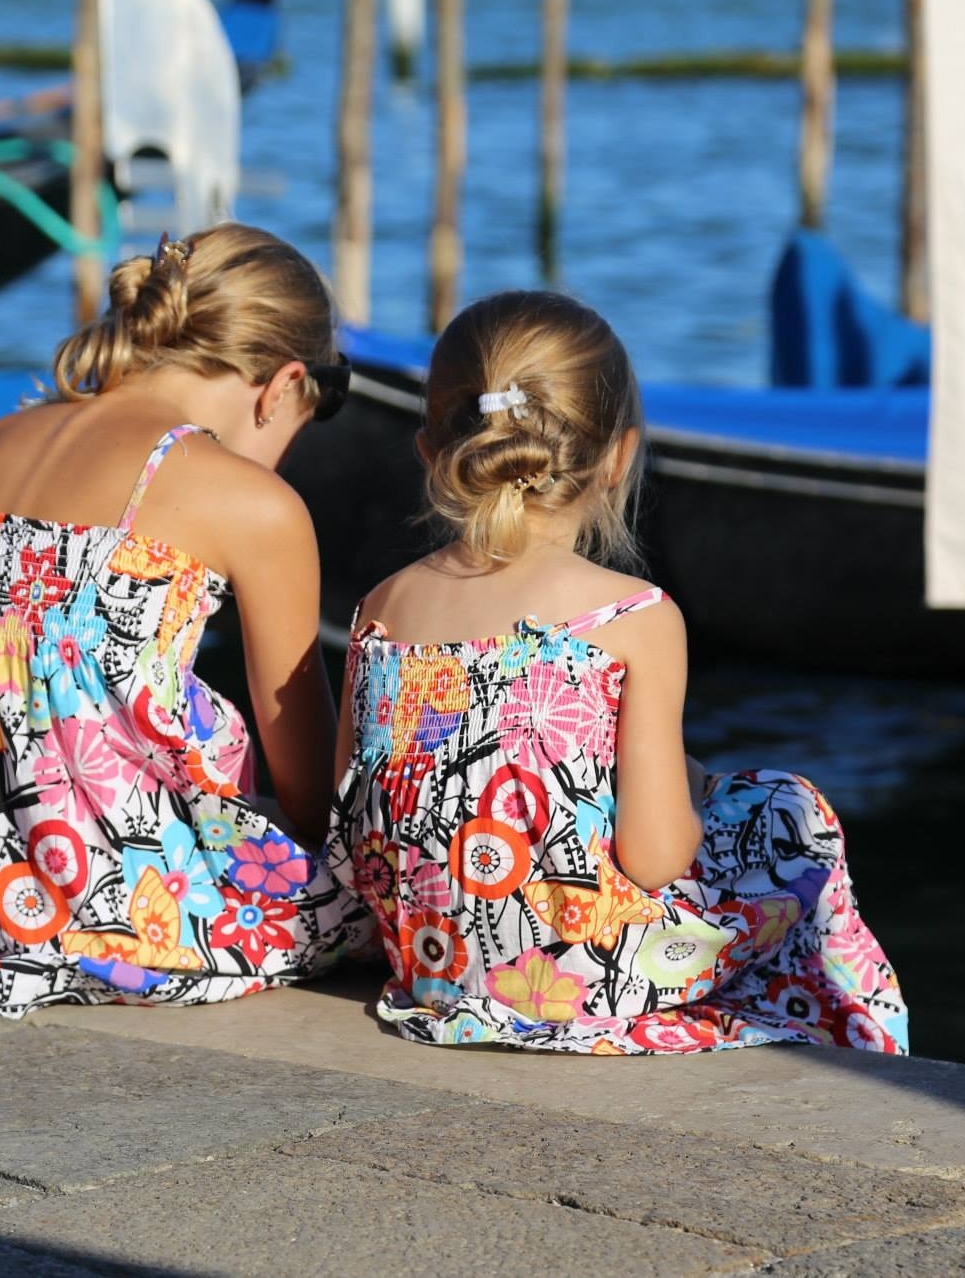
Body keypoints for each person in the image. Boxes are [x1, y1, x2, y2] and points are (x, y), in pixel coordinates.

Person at [328, 290, 909, 1055]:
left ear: (431, 451)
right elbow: (656, 857)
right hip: (581, 981)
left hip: (432, 968)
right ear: (619, 456)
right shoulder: (634, 615)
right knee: (791, 815)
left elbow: (353, 825)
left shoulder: (380, 609)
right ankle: (855, 1042)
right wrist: (689, 794)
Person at [0, 224, 370, 1015]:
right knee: (391, 898)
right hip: (126, 916)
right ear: (283, 384)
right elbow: (312, 800)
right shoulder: (251, 501)